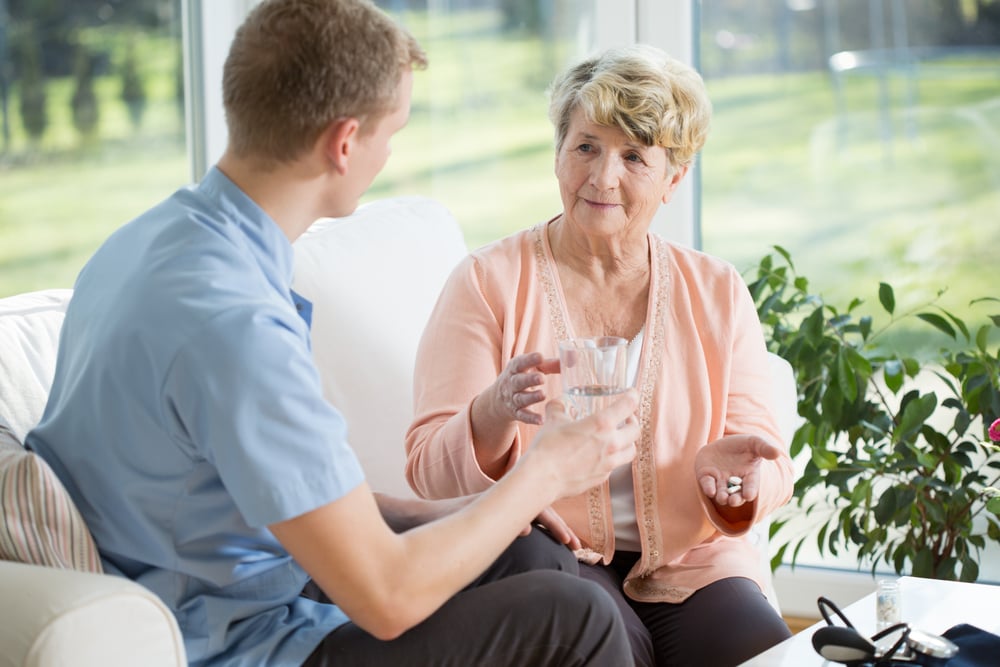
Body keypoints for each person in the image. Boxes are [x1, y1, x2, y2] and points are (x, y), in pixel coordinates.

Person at [25, 2, 642, 666]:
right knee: (576, 616)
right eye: (392, 131)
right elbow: (386, 596)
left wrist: (478, 505)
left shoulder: (145, 243)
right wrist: (545, 469)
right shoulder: (236, 327)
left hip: (241, 585)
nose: (389, 152)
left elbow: (272, 487)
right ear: (345, 143)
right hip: (244, 641)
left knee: (528, 551)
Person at [405, 44, 796, 667]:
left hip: (692, 565)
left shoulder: (718, 291)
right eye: (586, 145)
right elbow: (427, 469)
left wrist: (737, 482)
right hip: (548, 555)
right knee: (613, 647)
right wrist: (493, 412)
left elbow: (768, 463)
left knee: (761, 652)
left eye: (634, 156)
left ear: (674, 177)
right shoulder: (487, 281)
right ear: (559, 151)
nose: (602, 176)